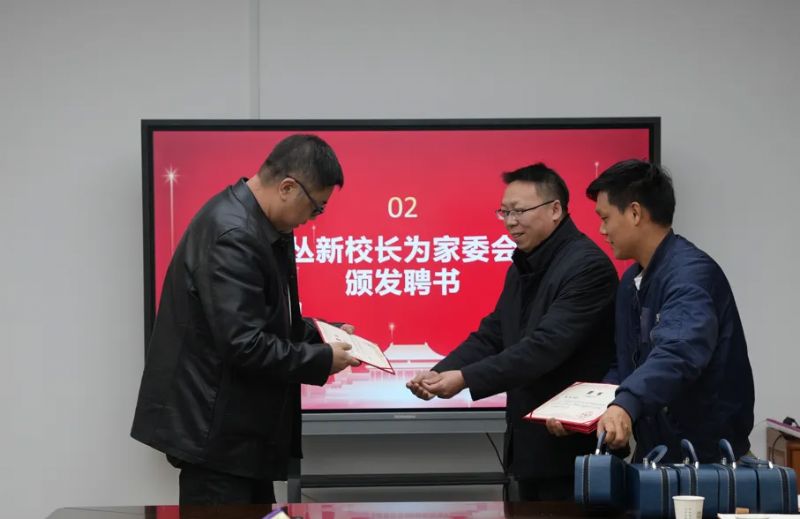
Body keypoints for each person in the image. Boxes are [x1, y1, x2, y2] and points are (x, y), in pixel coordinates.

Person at [131, 134, 360, 504]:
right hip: (216, 440)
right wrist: (322, 360)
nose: (311, 220)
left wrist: (322, 333)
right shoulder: (234, 235)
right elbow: (244, 344)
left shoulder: (258, 224)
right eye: (315, 208)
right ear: (287, 188)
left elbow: (266, 317)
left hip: (238, 438)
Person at [406, 163, 618, 501]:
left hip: (573, 454)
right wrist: (441, 371)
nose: (509, 221)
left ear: (555, 210)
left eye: (519, 211)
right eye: (504, 212)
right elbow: (493, 334)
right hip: (529, 448)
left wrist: (464, 378)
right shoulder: (523, 264)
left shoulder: (587, 267)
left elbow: (544, 347)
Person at [553, 159, 754, 463]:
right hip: (657, 455)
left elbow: (678, 353)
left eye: (605, 218)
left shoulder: (690, 275)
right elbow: (625, 365)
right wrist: (586, 410)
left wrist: (627, 404)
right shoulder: (630, 282)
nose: (601, 230)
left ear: (635, 213)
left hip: (707, 463)